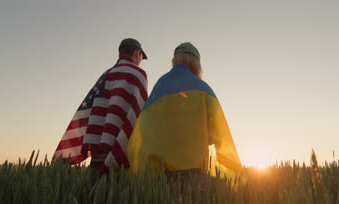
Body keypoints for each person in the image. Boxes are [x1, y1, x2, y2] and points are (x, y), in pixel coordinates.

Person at [127, 42, 245, 184]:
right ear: (196, 63)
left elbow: (144, 128)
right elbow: (217, 135)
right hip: (194, 175)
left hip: (157, 177)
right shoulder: (203, 88)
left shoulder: (160, 85)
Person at [54, 38, 149, 172]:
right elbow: (140, 113)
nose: (140, 61)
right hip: (121, 150)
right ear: (137, 53)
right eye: (141, 57)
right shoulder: (138, 74)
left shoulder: (106, 75)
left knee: (96, 190)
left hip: (98, 149)